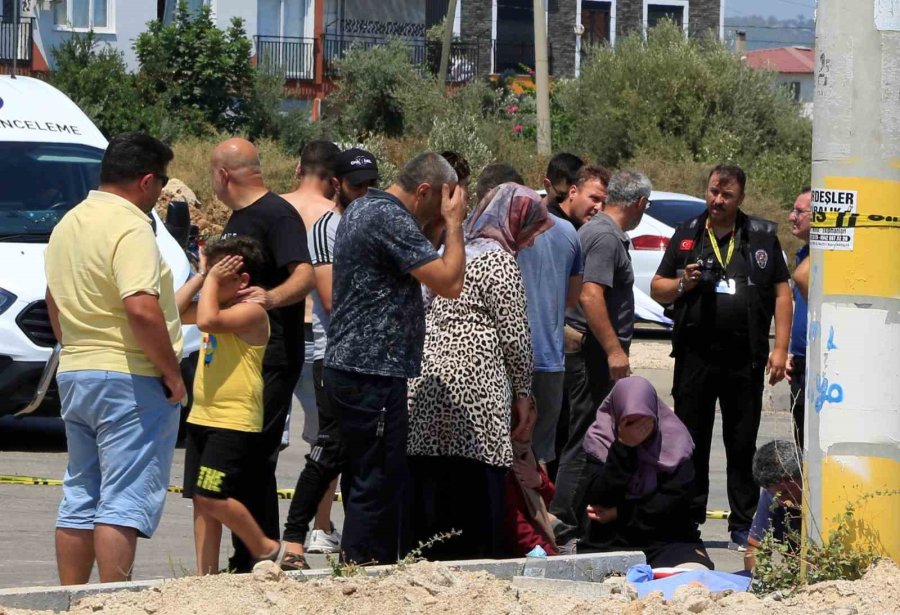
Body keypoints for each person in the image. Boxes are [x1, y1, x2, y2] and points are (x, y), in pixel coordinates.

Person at [44, 132, 185, 584]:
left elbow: (54, 298)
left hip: (78, 370)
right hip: (128, 375)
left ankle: (74, 600)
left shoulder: (69, 221)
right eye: (162, 182)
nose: (161, 193)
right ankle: (114, 602)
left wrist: (75, 345)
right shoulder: (130, 226)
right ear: (146, 181)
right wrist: (171, 375)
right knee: (122, 500)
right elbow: (141, 307)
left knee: (81, 494)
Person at [324, 152, 467, 565]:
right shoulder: (391, 219)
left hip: (356, 367)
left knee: (366, 477)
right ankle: (365, 573)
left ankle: (360, 567)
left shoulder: (365, 206)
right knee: (378, 481)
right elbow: (449, 282)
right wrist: (455, 224)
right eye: (443, 202)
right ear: (424, 191)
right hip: (371, 370)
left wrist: (438, 224)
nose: (446, 210)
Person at [650, 164, 793, 550]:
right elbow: (657, 288)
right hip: (695, 357)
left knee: (741, 442)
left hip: (743, 359)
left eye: (726, 195)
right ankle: (687, 520)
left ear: (740, 198)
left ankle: (743, 524)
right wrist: (684, 282)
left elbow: (782, 293)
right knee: (690, 441)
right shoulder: (687, 234)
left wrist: (780, 348)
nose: (717, 200)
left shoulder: (762, 237)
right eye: (714, 191)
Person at [407, 183, 551, 560]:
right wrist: (524, 393)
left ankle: (427, 556)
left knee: (432, 479)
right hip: (477, 388)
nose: (531, 241)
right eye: (530, 230)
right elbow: (515, 336)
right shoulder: (499, 260)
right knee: (475, 483)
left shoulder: (450, 251)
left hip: (426, 381)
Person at [211, 137, 315, 572]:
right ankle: (249, 553)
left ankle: (261, 554)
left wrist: (269, 299)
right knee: (242, 456)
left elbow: (306, 275)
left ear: (221, 175)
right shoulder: (239, 219)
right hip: (237, 358)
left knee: (254, 457)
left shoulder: (276, 214)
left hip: (271, 356)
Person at [281, 148, 380, 568]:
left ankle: (355, 547)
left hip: (372, 359)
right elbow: (331, 296)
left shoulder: (373, 221)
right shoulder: (327, 228)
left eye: (370, 184)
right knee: (329, 449)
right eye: (357, 185)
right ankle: (294, 539)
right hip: (335, 355)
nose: (365, 192)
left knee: (364, 454)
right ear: (337, 184)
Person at [175, 237, 285, 575]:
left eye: (219, 277)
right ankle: (204, 574)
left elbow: (207, 322)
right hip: (203, 415)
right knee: (200, 499)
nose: (210, 284)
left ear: (243, 281)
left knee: (211, 493)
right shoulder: (214, 302)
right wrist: (202, 275)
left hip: (233, 421)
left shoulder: (252, 311)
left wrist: (209, 284)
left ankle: (264, 546)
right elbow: (173, 311)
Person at [552, 170, 650, 530]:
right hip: (591, 352)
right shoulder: (605, 236)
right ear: (639, 203)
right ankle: (561, 519)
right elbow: (590, 295)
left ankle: (571, 516)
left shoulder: (600, 232)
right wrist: (614, 351)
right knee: (587, 435)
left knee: (585, 432)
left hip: (588, 349)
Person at [576, 377, 714, 569]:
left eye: (644, 419)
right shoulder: (601, 441)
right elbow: (598, 497)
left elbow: (673, 504)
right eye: (629, 421)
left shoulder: (675, 443)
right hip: (611, 541)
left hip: (667, 539)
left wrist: (620, 513)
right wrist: (623, 447)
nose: (638, 428)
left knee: (692, 576)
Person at [517, 169, 584, 470]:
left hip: (509, 358)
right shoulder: (568, 232)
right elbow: (572, 299)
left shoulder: (496, 233)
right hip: (550, 358)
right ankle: (540, 513)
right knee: (541, 450)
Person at [504, 416, 560, 558]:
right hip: (523, 548)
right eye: (519, 415)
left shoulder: (525, 450)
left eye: (531, 410)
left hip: (539, 537)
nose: (527, 421)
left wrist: (539, 481)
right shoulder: (504, 460)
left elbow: (549, 496)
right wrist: (551, 554)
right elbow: (516, 525)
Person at [744, 440, 803, 571]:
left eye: (786, 492)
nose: (781, 501)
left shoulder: (825, 495)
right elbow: (755, 549)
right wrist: (757, 581)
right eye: (774, 494)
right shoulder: (772, 495)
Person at [786, 188, 812, 449]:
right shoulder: (803, 254)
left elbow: (802, 278)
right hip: (801, 361)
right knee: (800, 437)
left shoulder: (824, 255)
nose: (792, 217)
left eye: (800, 212)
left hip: (821, 361)